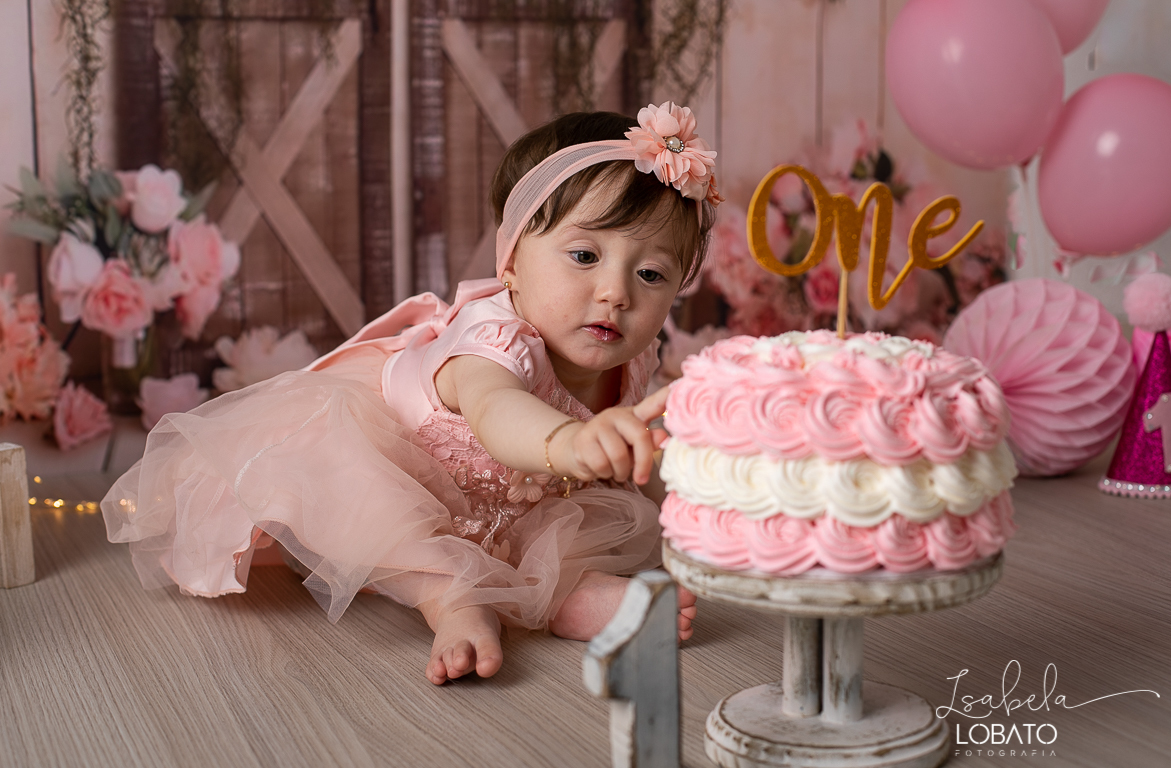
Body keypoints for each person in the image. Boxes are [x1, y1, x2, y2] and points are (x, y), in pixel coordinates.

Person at [103, 102, 721, 685]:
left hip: (513, 503)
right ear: (511, 263)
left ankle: (569, 596)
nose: (617, 292)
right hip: (403, 473)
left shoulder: (632, 356)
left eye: (651, 273)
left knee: (570, 532)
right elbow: (497, 412)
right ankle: (450, 600)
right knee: (362, 500)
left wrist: (685, 500)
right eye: (584, 255)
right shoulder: (493, 339)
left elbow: (638, 451)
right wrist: (572, 443)